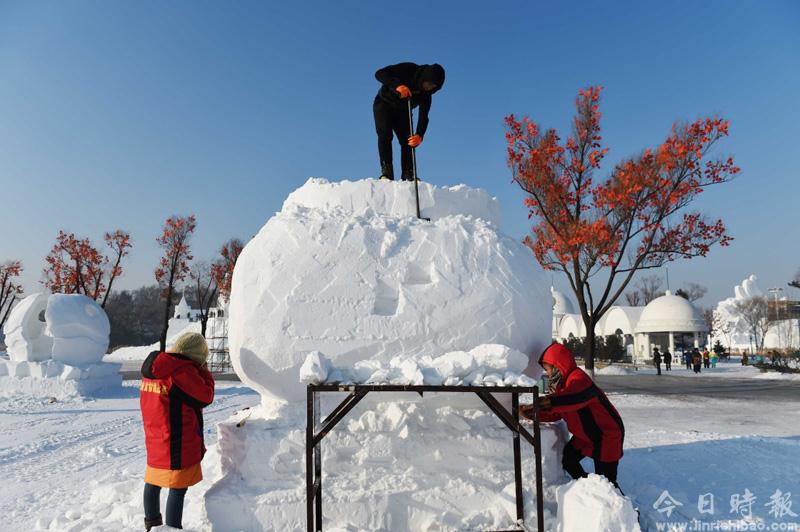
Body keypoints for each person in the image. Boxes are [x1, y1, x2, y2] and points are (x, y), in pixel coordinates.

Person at [520, 343, 625, 489]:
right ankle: (587, 489)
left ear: (558, 365)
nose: (548, 374)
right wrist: (530, 413)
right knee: (568, 460)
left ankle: (625, 511)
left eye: (549, 369)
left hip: (606, 436)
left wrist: (544, 403)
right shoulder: (562, 387)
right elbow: (556, 413)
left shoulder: (579, 379)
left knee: (607, 484)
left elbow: (574, 398)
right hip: (585, 437)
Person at [140, 332, 215, 531]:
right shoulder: (181, 372)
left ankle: (151, 524)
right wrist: (204, 372)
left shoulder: (154, 369)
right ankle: (172, 529)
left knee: (153, 481)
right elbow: (205, 396)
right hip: (177, 439)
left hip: (156, 436)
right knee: (177, 487)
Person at [373, 62, 446, 181]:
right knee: (385, 134)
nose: (429, 87)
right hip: (384, 103)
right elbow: (379, 73)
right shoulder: (409, 69)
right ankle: (387, 172)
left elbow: (424, 116)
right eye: (428, 83)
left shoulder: (426, 95)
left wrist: (420, 135)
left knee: (408, 140)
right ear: (425, 77)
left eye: (433, 87)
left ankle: (408, 173)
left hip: (403, 111)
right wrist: (397, 85)